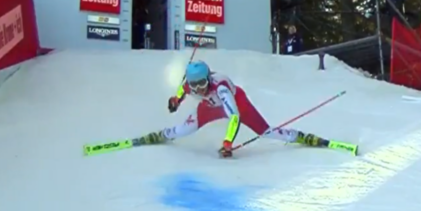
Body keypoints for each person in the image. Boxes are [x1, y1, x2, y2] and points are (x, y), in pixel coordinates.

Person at [132, 61, 354, 157]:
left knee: (265, 132)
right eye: (195, 85)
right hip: (209, 107)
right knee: (184, 130)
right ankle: (162, 135)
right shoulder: (191, 85)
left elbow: (235, 117)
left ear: (208, 77)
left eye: (202, 83)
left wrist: (228, 142)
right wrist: (176, 101)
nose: (199, 87)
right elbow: (182, 90)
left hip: (238, 103)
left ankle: (300, 137)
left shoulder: (220, 87)